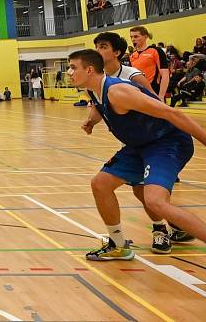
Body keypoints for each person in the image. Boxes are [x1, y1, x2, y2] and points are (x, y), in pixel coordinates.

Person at [68, 49, 206, 261]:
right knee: (101, 184)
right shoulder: (94, 90)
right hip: (139, 145)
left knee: (155, 201)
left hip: (166, 143)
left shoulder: (118, 92)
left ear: (89, 70)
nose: (68, 72)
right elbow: (100, 106)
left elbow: (172, 112)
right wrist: (91, 122)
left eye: (73, 67)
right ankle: (118, 245)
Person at [129, 26, 169, 101]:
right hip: (138, 93)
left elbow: (165, 74)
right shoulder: (132, 56)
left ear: (145, 36)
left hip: (154, 92)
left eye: (136, 36)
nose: (133, 39)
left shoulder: (156, 51)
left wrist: (161, 95)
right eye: (131, 37)